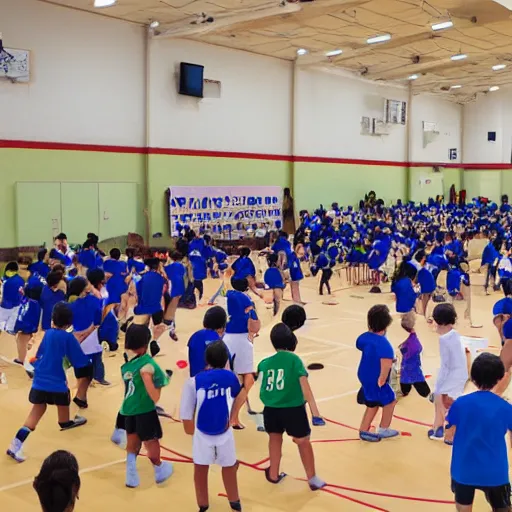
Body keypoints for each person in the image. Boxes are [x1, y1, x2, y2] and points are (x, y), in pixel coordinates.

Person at [7, 303, 91, 463]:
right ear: (69, 323)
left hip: (39, 382)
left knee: (35, 414)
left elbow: (39, 355)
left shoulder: (48, 334)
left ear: (53, 320)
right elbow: (80, 361)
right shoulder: (68, 337)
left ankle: (15, 445)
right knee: (64, 419)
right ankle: (68, 421)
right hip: (58, 386)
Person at [257, 323, 325, 490]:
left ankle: (273, 474)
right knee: (302, 441)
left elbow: (262, 385)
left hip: (270, 409)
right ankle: (312, 478)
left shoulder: (264, 363)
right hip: (293, 408)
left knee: (274, 438)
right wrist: (316, 414)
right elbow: (305, 388)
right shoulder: (294, 360)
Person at [180, 341, 246, 512]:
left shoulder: (194, 382)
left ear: (205, 360)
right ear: (226, 360)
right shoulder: (231, 377)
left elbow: (186, 414)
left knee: (200, 470)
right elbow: (240, 396)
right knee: (229, 467)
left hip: (202, 433)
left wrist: (190, 431)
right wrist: (232, 418)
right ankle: (235, 502)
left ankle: (203, 505)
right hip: (224, 431)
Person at [447, 353, 512, 512]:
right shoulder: (506, 408)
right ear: (499, 378)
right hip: (495, 471)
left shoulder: (460, 404)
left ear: (473, 378)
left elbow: (449, 436)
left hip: (463, 469)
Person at [119, 324, 174, 488]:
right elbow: (154, 397)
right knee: (151, 442)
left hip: (128, 409)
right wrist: (160, 383)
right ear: (145, 344)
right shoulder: (147, 366)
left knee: (132, 440)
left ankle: (131, 473)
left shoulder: (127, 365)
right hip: (145, 410)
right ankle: (159, 469)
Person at [356, 304, 399, 442]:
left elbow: (360, 345)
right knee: (390, 400)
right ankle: (383, 428)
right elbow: (386, 365)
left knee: (372, 403)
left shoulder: (364, 337)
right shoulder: (385, 345)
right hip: (376, 378)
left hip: (364, 375)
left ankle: (364, 429)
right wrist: (382, 378)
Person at [223, 278, 260, 427]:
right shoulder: (246, 298)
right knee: (248, 379)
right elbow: (255, 326)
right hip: (240, 340)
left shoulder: (225, 295)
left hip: (226, 338)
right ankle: (234, 417)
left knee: (230, 376)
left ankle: (232, 411)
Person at [429, 303, 468, 443]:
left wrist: (439, 385)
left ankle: (441, 430)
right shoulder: (455, 335)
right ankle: (442, 428)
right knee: (448, 402)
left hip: (452, 374)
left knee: (441, 402)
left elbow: (446, 364)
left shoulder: (443, 339)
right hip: (461, 373)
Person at [68, 276, 107, 391]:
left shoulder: (71, 305)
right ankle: (99, 378)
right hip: (92, 333)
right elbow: (98, 315)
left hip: (77, 335)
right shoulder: (93, 300)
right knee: (97, 357)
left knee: (81, 360)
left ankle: (82, 380)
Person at [188, 306, 227, 377]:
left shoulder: (194, 336)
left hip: (195, 380)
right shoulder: (218, 342)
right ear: (222, 327)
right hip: (211, 381)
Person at [399, 312, 430, 398]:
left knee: (406, 389)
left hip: (407, 368)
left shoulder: (405, 337)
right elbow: (416, 349)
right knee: (425, 392)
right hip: (412, 369)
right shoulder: (412, 340)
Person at [13, 284, 42, 368]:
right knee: (21, 341)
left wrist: (19, 326)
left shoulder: (31, 303)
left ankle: (21, 360)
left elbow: (24, 316)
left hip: (26, 327)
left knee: (21, 342)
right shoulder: (35, 303)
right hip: (29, 327)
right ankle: (21, 357)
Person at [163, 251, 186, 341]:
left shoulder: (170, 266)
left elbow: (164, 272)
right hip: (180, 289)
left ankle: (171, 326)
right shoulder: (182, 266)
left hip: (172, 289)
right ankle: (172, 326)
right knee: (173, 308)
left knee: (169, 308)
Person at [0, 261, 25, 333]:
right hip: (17, 304)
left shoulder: (4, 280)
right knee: (11, 324)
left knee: (2, 321)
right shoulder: (21, 280)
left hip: (5, 305)